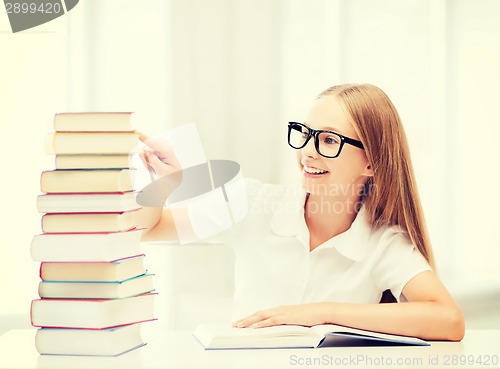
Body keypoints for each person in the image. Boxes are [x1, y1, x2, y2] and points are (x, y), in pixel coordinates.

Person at [136, 83, 465, 341]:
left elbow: (449, 320)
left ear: (371, 162)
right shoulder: (253, 203)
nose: (308, 151)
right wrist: (168, 182)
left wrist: (322, 313)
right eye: (305, 134)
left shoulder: (382, 243)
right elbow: (149, 229)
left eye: (328, 140)